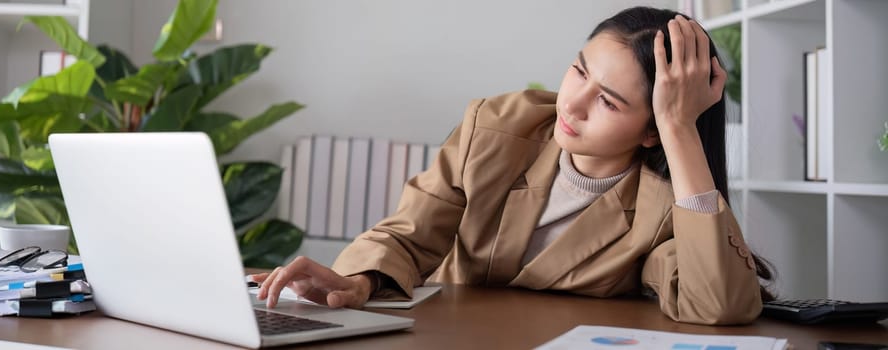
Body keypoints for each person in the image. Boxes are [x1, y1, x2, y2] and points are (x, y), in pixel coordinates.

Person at [252, 6, 774, 325]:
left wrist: (681, 131)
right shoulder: (497, 125)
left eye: (609, 102)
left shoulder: (664, 203)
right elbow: (410, 234)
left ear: (651, 129)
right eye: (578, 70)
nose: (571, 104)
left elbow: (719, 305)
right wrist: (357, 282)